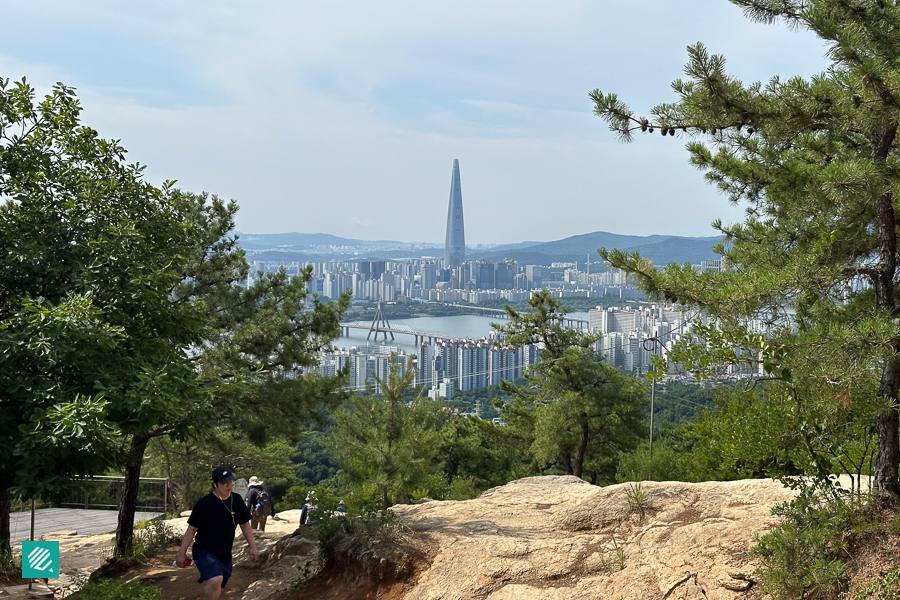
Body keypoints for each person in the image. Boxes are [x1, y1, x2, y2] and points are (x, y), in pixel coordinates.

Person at [176, 466, 258, 600]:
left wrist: (253, 547)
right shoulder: (204, 504)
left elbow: (245, 524)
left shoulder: (236, 500)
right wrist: (181, 553)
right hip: (204, 551)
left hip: (225, 553)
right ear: (214, 484)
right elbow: (191, 529)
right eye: (224, 482)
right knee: (215, 580)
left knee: (220, 587)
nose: (228, 485)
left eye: (230, 482)